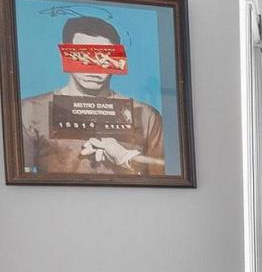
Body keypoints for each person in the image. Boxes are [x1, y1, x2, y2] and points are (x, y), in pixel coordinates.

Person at [18, 14, 166, 176]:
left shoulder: (147, 116)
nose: (92, 68)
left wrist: (126, 158)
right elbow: (17, 180)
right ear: (65, 55)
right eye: (82, 56)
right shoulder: (30, 110)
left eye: (103, 57)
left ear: (117, 60)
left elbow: (161, 178)